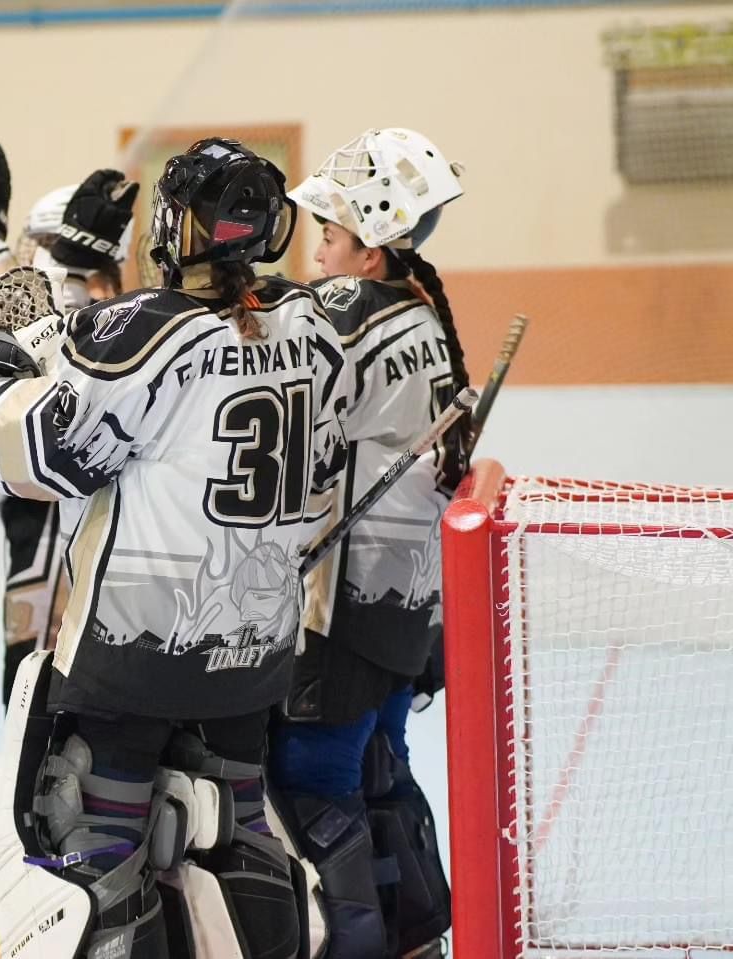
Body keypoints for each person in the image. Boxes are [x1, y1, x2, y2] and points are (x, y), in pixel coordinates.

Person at [0, 137, 351, 959]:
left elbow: (40, 449)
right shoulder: (310, 321)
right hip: (254, 649)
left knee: (93, 846)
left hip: (135, 654)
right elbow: (84, 346)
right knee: (237, 831)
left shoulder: (152, 333)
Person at [268, 127, 468, 959]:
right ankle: (416, 936)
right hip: (404, 609)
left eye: (332, 233)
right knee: (379, 773)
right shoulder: (423, 311)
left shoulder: (344, 310)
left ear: (372, 251)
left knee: (313, 792)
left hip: (338, 615)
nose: (317, 250)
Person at [0, 142, 139, 702]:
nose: (42, 257)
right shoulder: (31, 313)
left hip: (106, 553)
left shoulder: (120, 320)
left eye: (55, 245)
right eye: (41, 244)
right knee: (30, 699)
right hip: (37, 541)